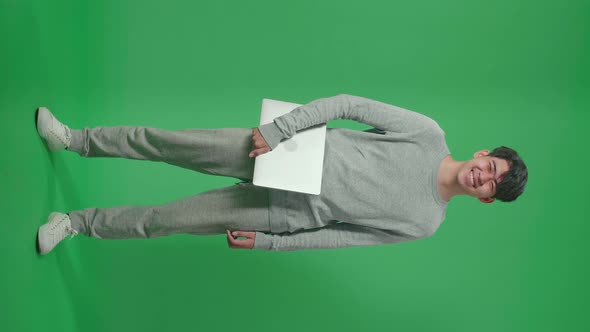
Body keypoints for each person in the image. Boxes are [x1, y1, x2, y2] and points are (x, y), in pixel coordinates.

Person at [35, 94, 528, 255]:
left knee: (166, 220)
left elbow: (341, 238)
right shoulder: (427, 133)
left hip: (281, 212)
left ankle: (75, 223)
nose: (482, 176)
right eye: (490, 166)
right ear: (483, 154)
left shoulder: (426, 224)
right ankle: (74, 139)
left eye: (490, 184)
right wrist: (280, 129)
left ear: (486, 198)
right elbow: (349, 104)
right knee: (165, 143)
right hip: (280, 152)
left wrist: (273, 242)